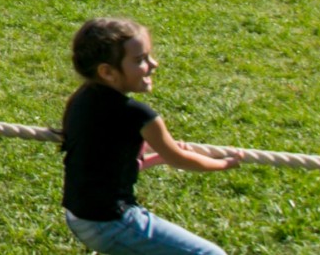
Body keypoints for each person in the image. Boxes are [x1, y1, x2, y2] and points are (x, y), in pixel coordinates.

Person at [60, 18, 237, 255]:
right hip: (109, 224)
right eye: (139, 60)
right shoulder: (138, 115)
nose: (153, 64)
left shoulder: (82, 99)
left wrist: (156, 158)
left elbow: (102, 164)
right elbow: (180, 160)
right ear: (107, 72)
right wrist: (223, 163)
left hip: (79, 219)